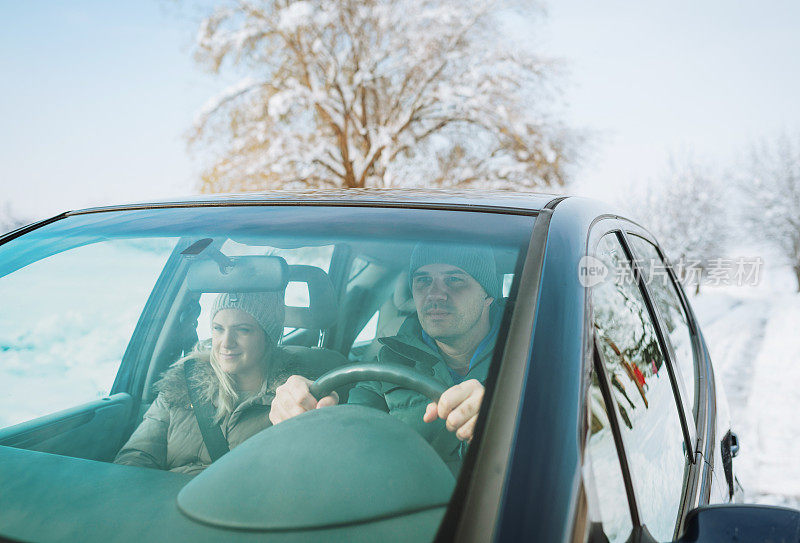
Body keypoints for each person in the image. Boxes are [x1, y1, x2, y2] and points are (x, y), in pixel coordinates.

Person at [270, 243, 500, 470]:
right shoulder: (389, 361)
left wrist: (505, 423)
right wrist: (309, 411)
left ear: (488, 294)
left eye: (454, 279)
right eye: (423, 280)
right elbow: (355, 436)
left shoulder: (529, 354)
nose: (435, 294)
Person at [115, 291, 298, 475]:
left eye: (243, 330)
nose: (226, 343)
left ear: (268, 337)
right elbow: (136, 456)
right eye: (218, 328)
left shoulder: (291, 402)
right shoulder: (183, 385)